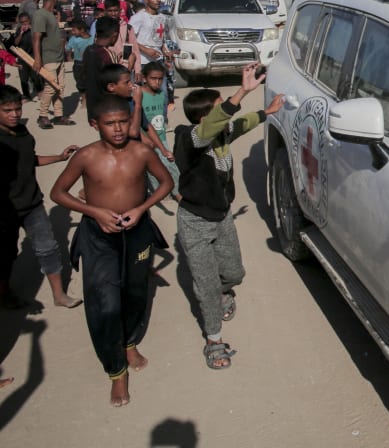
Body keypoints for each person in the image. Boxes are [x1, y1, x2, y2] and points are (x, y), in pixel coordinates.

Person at [50, 93, 173, 406]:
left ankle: (129, 342)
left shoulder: (142, 152)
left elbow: (165, 184)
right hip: (98, 237)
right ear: (95, 124)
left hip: (137, 234)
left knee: (134, 293)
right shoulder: (86, 157)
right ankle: (116, 372)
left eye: (122, 121)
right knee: (104, 304)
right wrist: (95, 212)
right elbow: (58, 193)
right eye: (110, 123)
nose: (118, 129)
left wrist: (142, 208)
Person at [174, 63, 283, 369]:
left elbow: (241, 123)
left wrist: (268, 111)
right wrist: (242, 91)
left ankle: (222, 293)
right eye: (220, 108)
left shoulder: (221, 134)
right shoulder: (189, 139)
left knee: (234, 274)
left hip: (221, 217)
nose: (227, 112)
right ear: (203, 117)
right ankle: (213, 339)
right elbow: (213, 127)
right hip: (194, 222)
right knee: (206, 284)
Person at [0, 85, 82, 309]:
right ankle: (4, 293)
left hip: (32, 203)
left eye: (17, 109)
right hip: (6, 210)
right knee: (5, 255)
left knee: (48, 248)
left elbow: (30, 159)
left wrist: (59, 157)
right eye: (7, 110)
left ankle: (59, 295)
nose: (14, 114)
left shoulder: (23, 132)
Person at [31, 0, 75, 129]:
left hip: (58, 57)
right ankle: (43, 116)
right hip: (48, 57)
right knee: (50, 88)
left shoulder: (50, 14)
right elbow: (36, 38)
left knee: (60, 88)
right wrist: (38, 59)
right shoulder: (40, 15)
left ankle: (58, 115)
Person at [140, 62, 180, 201]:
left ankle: (177, 192)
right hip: (145, 140)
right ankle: (162, 193)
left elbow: (162, 115)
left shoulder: (162, 95)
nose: (157, 82)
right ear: (144, 78)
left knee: (170, 164)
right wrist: (143, 139)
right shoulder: (138, 96)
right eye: (153, 78)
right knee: (152, 168)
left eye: (160, 79)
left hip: (161, 138)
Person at [83, 17, 119, 119]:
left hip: (93, 106)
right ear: (114, 35)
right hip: (109, 107)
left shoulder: (88, 50)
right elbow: (117, 82)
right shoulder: (108, 54)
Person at [128, 0, 166, 80]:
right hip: (142, 61)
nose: (158, 0)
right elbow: (128, 39)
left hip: (158, 60)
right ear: (146, 0)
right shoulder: (138, 17)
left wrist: (165, 49)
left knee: (161, 91)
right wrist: (145, 49)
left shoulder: (162, 17)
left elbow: (161, 37)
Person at [4, 13, 42, 100]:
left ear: (29, 20)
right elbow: (16, 43)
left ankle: (39, 91)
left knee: (35, 76)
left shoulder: (34, 29)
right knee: (23, 78)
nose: (24, 24)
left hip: (32, 55)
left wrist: (31, 29)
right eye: (22, 22)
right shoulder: (18, 30)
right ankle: (26, 95)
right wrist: (21, 32)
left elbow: (37, 40)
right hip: (21, 56)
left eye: (26, 21)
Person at [66, 19, 93, 108]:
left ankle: (90, 98)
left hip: (90, 63)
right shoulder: (73, 39)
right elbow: (68, 48)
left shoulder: (92, 39)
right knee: (80, 83)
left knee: (90, 82)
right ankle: (84, 98)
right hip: (78, 64)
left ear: (82, 30)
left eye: (74, 30)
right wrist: (69, 56)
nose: (72, 32)